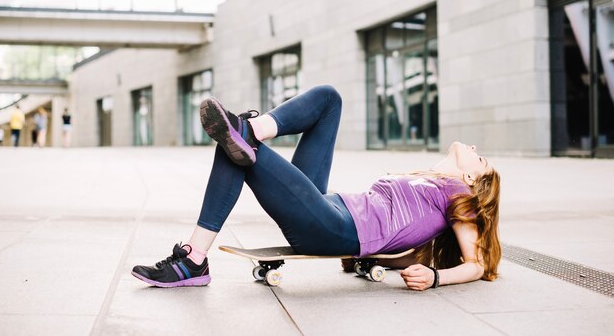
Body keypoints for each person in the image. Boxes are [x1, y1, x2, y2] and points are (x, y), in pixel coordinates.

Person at [132, 85, 501, 291]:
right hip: (328, 206)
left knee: (239, 147)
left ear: (472, 181)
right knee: (329, 100)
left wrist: (437, 277)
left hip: (334, 227)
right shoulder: (430, 181)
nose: (473, 150)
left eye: (480, 159)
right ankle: (253, 131)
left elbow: (477, 263)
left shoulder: (462, 199)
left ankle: (193, 259)